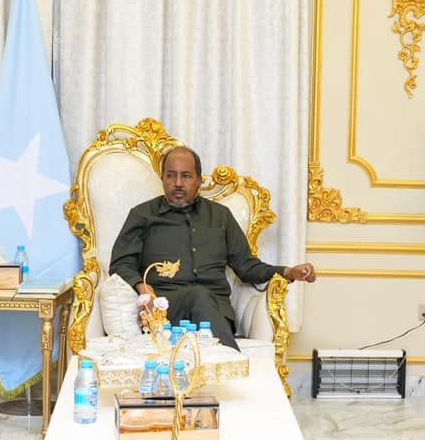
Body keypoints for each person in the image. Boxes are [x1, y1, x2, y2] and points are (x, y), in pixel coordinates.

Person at [108, 145, 318, 350]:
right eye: (171, 176)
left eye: (186, 176)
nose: (178, 183)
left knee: (201, 296)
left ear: (199, 180)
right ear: (162, 178)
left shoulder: (220, 216)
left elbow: (246, 266)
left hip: (216, 312)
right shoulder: (143, 215)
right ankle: (232, 361)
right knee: (196, 294)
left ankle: (225, 359)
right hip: (166, 312)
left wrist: (288, 271)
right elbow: (120, 263)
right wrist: (143, 288)